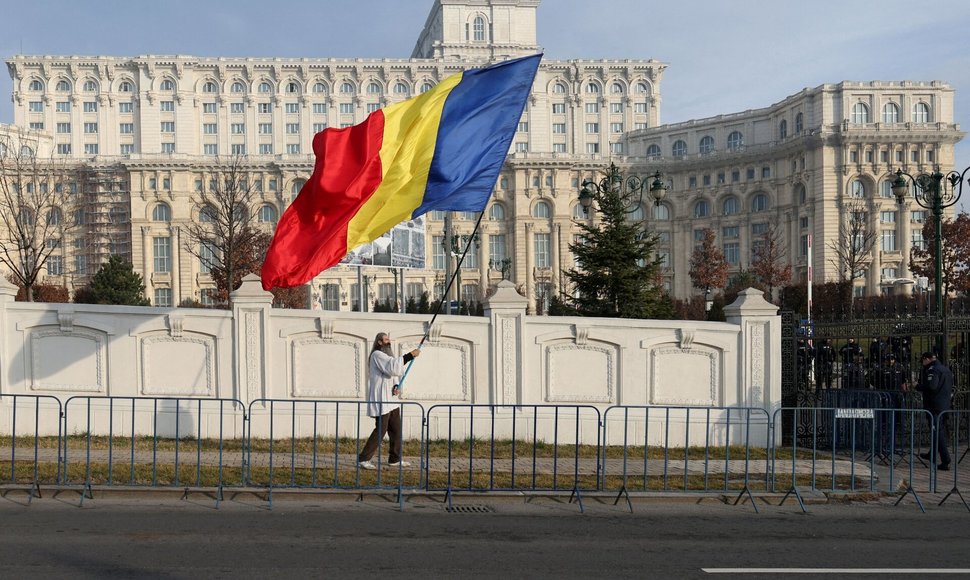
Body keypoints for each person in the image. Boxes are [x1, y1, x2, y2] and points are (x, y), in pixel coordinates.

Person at [358, 332, 421, 470]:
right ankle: (363, 459)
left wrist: (396, 388)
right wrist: (410, 355)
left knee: (396, 429)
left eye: (389, 339)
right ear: (379, 342)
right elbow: (392, 367)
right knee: (381, 430)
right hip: (382, 399)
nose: (389, 341)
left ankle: (395, 458)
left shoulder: (387, 356)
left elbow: (393, 375)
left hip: (391, 399)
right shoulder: (377, 355)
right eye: (386, 339)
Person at [916, 351, 953, 471]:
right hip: (944, 405)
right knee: (938, 430)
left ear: (927, 359)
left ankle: (945, 460)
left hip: (934, 406)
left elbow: (932, 386)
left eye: (923, 360)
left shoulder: (933, 370)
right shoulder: (944, 369)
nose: (923, 363)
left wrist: (918, 386)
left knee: (938, 432)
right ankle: (931, 454)